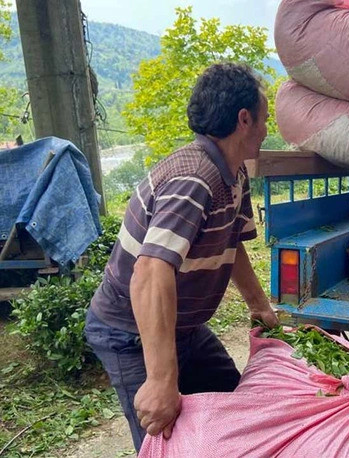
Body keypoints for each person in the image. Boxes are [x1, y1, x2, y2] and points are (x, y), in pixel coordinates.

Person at [84, 62, 279, 451]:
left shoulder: (233, 173)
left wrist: (258, 304)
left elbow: (232, 243)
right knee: (167, 435)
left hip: (183, 328)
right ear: (244, 119)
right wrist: (160, 380)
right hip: (129, 332)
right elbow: (151, 271)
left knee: (233, 405)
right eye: (263, 119)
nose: (266, 129)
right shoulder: (194, 179)